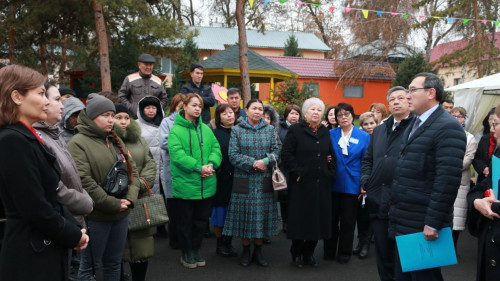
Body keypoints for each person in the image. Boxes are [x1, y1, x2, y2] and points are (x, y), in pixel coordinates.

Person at [0, 64, 88, 281]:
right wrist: (72, 234)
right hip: (31, 255)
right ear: (17, 97)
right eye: (41, 94)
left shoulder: (26, 137)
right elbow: (34, 207)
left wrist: (75, 229)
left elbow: (52, 197)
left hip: (43, 246)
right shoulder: (12, 141)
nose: (48, 101)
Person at [389, 73, 466, 280]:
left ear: (431, 93)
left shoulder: (448, 127)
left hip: (423, 223)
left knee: (424, 276)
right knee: (402, 275)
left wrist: (433, 222)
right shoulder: (415, 122)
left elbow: (447, 180)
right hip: (405, 218)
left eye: (412, 90)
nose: (407, 95)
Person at [68, 93, 140, 281]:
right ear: (91, 116)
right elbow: (84, 181)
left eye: (112, 115)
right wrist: (112, 203)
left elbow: (134, 172)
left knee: (114, 264)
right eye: (105, 115)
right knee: (89, 268)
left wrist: (130, 199)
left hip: (122, 214)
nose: (111, 120)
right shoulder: (78, 143)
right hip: (96, 217)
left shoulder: (115, 139)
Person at [361, 86, 414, 281]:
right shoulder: (380, 129)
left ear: (409, 101)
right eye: (392, 99)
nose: (396, 102)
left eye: (401, 98)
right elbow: (368, 159)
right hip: (378, 200)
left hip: (404, 203)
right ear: (388, 104)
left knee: (403, 259)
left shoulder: (416, 127)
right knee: (383, 256)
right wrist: (366, 180)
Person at [223, 99, 280, 268]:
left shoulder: (270, 130)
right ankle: (246, 251)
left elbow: (277, 151)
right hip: (244, 179)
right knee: (244, 218)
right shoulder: (237, 130)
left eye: (260, 109)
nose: (257, 111)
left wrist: (265, 160)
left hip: (264, 180)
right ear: (246, 110)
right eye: (254, 108)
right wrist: (254, 163)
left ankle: (259, 251)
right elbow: (232, 154)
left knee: (261, 218)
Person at [168, 93, 222, 269]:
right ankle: (186, 252)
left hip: (206, 184)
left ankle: (196, 249)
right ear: (184, 107)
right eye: (194, 105)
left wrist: (211, 164)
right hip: (186, 185)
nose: (198, 108)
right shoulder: (176, 130)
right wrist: (199, 168)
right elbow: (177, 156)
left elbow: (216, 148)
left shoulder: (206, 129)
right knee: (185, 222)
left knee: (201, 221)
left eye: (200, 105)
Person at [281, 98, 336, 268]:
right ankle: (296, 252)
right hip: (302, 184)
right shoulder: (296, 130)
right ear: (305, 112)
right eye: (312, 109)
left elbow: (330, 154)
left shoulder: (325, 131)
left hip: (321, 184)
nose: (316, 112)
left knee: (317, 221)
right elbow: (287, 154)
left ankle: (309, 252)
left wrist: (330, 172)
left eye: (319, 110)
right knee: (300, 220)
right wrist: (298, 173)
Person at [34, 82, 93, 228]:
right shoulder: (38, 139)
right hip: (62, 224)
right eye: (57, 100)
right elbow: (55, 188)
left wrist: (83, 197)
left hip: (74, 220)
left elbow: (73, 177)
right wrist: (85, 202)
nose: (62, 106)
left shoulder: (55, 135)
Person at [113, 104, 157, 281]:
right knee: (118, 247)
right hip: (117, 200)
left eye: (126, 117)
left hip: (140, 199)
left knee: (141, 245)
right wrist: (125, 187)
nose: (123, 121)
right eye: (118, 117)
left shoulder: (139, 139)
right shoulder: (106, 140)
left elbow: (150, 164)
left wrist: (137, 185)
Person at [324, 102, 370, 264]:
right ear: (335, 118)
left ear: (353, 116)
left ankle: (345, 252)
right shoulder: (330, 134)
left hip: (353, 184)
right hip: (332, 183)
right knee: (331, 220)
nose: (343, 117)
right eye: (339, 115)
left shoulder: (364, 136)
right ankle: (329, 250)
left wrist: (364, 184)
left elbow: (367, 162)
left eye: (346, 114)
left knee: (348, 222)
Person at [467, 103, 500, 281]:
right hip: (490, 238)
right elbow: (482, 187)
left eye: (496, 124)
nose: (492, 130)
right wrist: (477, 202)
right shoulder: (498, 154)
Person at [159, 93, 185, 250]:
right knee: (174, 205)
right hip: (172, 166)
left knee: (186, 207)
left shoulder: (192, 122)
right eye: (179, 105)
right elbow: (164, 142)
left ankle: (184, 238)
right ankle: (174, 239)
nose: (181, 108)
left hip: (188, 169)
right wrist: (182, 146)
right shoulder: (167, 122)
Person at [211, 104, 238, 257]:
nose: (229, 115)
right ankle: (220, 243)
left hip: (237, 177)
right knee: (220, 211)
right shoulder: (214, 133)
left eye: (231, 112)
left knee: (233, 211)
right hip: (220, 178)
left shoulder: (239, 132)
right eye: (225, 113)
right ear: (218, 116)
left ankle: (229, 242)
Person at [450, 107, 478, 248]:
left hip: (460, 181)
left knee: (457, 218)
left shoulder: (470, 138)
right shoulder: (445, 134)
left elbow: (468, 160)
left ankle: (453, 247)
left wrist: (448, 166)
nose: (456, 118)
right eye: (453, 115)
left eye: (459, 116)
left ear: (464, 119)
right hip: (442, 180)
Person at [352, 111, 378, 260]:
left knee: (371, 214)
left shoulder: (383, 137)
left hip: (376, 182)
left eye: (371, 123)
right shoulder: (361, 138)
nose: (369, 127)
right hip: (362, 180)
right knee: (361, 214)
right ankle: (360, 241)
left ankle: (366, 243)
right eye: (366, 124)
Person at [118, 53, 168, 119]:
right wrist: (132, 108)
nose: (149, 67)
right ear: (139, 65)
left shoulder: (158, 81)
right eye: (146, 64)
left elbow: (164, 98)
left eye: (151, 65)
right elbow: (121, 95)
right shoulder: (130, 79)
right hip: (135, 118)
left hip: (153, 120)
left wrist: (156, 110)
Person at [277, 104, 302, 234]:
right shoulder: (279, 128)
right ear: (286, 115)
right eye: (291, 113)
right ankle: (285, 221)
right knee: (284, 195)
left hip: (298, 166)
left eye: (296, 114)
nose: (294, 116)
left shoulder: (302, 128)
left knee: (296, 193)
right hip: (283, 166)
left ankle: (294, 220)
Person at [137, 96, 164, 195]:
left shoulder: (164, 124)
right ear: (142, 109)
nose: (151, 110)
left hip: (163, 167)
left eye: (154, 108)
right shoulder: (136, 125)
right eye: (148, 108)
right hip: (146, 166)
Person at [473, 108, 497, 183]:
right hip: (484, 179)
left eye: (495, 120)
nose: (492, 122)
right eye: (490, 119)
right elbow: (476, 157)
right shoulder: (485, 138)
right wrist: (484, 169)